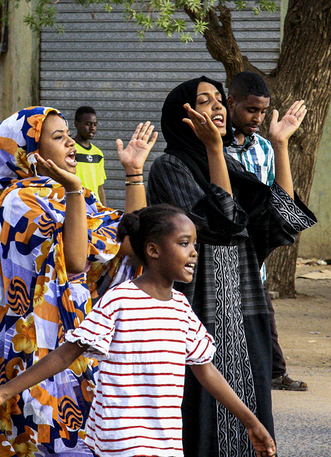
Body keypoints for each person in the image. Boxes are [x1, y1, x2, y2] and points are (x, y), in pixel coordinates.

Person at [0, 204, 277, 457]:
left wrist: (251, 422)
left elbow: (206, 369)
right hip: (123, 437)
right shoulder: (120, 299)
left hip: (165, 439)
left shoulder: (181, 307)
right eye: (184, 243)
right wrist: (3, 393)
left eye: (195, 245)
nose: (194, 253)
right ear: (153, 250)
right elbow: (65, 355)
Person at [147, 76, 316, 456]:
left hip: (243, 305)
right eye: (205, 101)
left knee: (251, 402)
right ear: (182, 114)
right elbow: (222, 224)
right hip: (198, 304)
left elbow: (283, 218)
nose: (219, 107)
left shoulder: (230, 166)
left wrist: (280, 144)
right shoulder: (170, 167)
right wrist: (212, 149)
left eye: (220, 100)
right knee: (200, 412)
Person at [0, 106, 157, 456]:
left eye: (68, 136)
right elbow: (75, 263)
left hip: (72, 348)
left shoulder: (67, 194)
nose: (71, 144)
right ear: (28, 152)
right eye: (58, 137)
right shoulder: (18, 202)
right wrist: (74, 190)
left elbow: (132, 241)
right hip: (26, 358)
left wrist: (134, 173)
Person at [226, 71, 307, 391]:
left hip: (253, 253)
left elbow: (282, 198)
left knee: (264, 318)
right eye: (251, 110)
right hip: (224, 249)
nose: (257, 117)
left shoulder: (263, 148)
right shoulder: (215, 146)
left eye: (263, 111)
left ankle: (274, 372)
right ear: (231, 102)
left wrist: (280, 143)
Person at [73, 106, 107, 205]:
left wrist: (104, 209)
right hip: (76, 204)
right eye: (88, 124)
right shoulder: (69, 149)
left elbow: (100, 187)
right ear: (76, 124)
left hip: (95, 207)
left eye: (95, 124)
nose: (92, 128)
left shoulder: (98, 154)